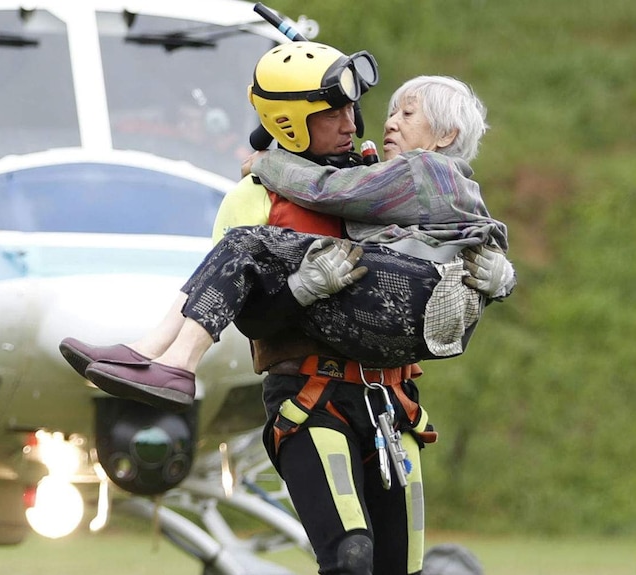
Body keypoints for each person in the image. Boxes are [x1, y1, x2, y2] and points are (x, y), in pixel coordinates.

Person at [61, 42, 515, 575]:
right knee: (352, 558)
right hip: (313, 391)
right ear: (296, 122)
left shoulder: (382, 176)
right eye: (335, 111)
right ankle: (161, 359)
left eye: (383, 111)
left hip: (392, 394)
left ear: (445, 135)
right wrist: (300, 289)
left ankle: (162, 358)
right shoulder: (261, 195)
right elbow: (249, 317)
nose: (362, 122)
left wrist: (493, 271)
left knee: (398, 567)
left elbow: (339, 194)